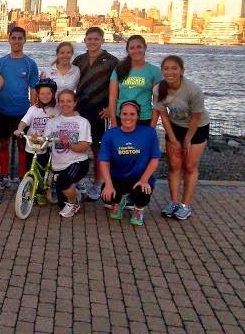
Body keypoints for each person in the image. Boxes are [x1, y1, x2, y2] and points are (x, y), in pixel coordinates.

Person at [152, 55, 209, 220]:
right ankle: (173, 202)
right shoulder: (159, 90)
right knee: (174, 166)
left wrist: (187, 140)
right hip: (175, 126)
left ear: (182, 71)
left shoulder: (193, 90)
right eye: (166, 69)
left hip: (197, 128)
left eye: (174, 68)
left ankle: (185, 205)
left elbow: (197, 117)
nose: (170, 72)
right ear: (162, 71)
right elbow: (163, 115)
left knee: (190, 166)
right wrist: (173, 139)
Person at [73, 26, 119, 201]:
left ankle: (97, 183)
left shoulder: (112, 61)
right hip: (80, 110)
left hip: (100, 111)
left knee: (98, 149)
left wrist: (110, 108)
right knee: (78, 146)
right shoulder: (79, 60)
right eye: (89, 39)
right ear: (85, 40)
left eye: (96, 39)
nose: (92, 42)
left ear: (102, 40)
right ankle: (79, 180)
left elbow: (119, 86)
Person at [100, 100, 161, 226]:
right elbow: (104, 161)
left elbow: (155, 158)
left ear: (138, 116)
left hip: (140, 178)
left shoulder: (149, 133)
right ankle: (119, 202)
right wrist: (108, 185)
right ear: (119, 115)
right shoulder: (110, 134)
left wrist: (144, 179)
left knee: (142, 193)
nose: (128, 117)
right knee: (107, 195)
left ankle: (138, 210)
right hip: (118, 177)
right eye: (124, 114)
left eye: (132, 114)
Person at [0, 26, 39, 186]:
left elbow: (33, 89)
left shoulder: (30, 64)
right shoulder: (1, 62)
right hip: (2, 110)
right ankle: (4, 176)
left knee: (22, 146)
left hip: (22, 111)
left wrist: (34, 111)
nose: (16, 41)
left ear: (24, 40)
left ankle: (22, 177)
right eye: (14, 38)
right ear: (9, 39)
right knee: (3, 144)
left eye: (20, 38)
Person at [43, 90, 92, 218]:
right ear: (58, 103)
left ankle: (74, 203)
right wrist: (37, 139)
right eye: (62, 101)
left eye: (69, 101)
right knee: (61, 203)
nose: (65, 104)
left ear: (75, 103)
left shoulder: (82, 122)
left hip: (78, 162)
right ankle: (73, 191)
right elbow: (46, 141)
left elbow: (84, 147)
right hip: (58, 165)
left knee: (63, 181)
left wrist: (68, 144)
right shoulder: (52, 122)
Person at [109, 34, 161, 128]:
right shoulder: (118, 70)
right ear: (128, 50)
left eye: (139, 47)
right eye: (132, 48)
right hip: (121, 117)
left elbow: (158, 102)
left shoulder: (154, 71)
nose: (136, 51)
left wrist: (152, 125)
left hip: (144, 118)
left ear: (145, 48)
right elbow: (112, 97)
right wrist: (113, 122)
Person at [13, 77, 60, 171]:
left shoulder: (57, 110)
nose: (45, 96)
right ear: (38, 94)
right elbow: (24, 121)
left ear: (53, 94)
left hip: (47, 145)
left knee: (45, 171)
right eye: (42, 93)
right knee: (29, 169)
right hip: (32, 145)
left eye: (48, 93)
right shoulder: (33, 109)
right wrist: (20, 129)